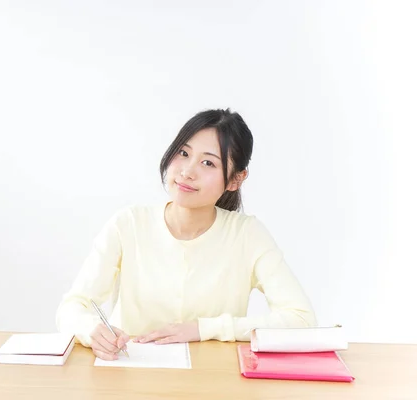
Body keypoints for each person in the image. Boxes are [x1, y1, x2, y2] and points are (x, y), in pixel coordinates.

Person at [55, 108, 317, 361]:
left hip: (212, 383)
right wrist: (91, 330)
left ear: (235, 179)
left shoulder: (247, 234)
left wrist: (203, 329)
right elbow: (72, 308)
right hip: (131, 377)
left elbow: (301, 320)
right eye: (183, 153)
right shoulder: (128, 224)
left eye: (208, 162)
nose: (187, 171)